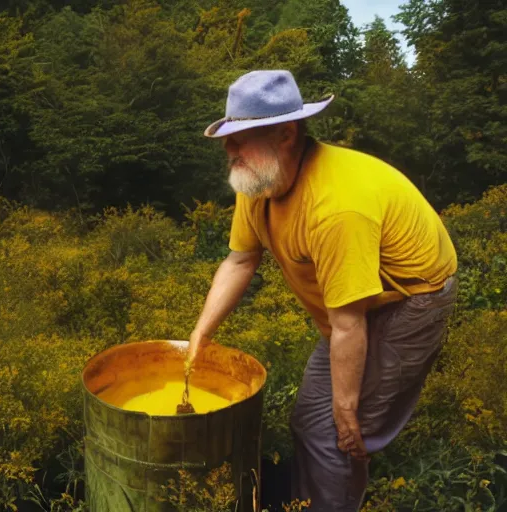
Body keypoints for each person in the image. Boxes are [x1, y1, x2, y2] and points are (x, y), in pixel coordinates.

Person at [187, 69, 458, 511]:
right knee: (311, 421)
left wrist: (348, 408)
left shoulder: (336, 206)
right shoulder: (257, 178)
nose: (228, 148)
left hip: (411, 299)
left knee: (342, 429)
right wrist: (200, 335)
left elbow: (349, 323)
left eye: (241, 137)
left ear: (286, 133)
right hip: (352, 307)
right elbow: (240, 259)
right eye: (227, 136)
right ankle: (310, 500)